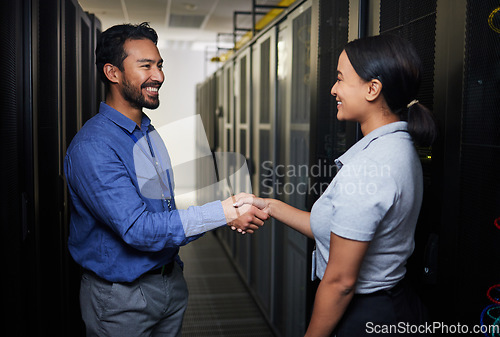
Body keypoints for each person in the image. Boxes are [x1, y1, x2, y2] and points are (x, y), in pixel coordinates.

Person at [64, 22, 267, 337]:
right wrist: (222, 213)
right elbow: (138, 229)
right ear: (112, 73)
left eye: (159, 65)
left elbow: (164, 214)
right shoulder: (94, 147)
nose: (158, 75)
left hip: (168, 285)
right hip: (122, 300)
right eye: (145, 66)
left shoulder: (147, 131)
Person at [235, 34, 437, 336]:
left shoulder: (371, 167)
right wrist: (271, 206)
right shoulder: (398, 145)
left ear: (373, 89)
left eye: (341, 79)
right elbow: (336, 229)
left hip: (365, 314)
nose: (333, 89)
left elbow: (341, 281)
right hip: (390, 304)